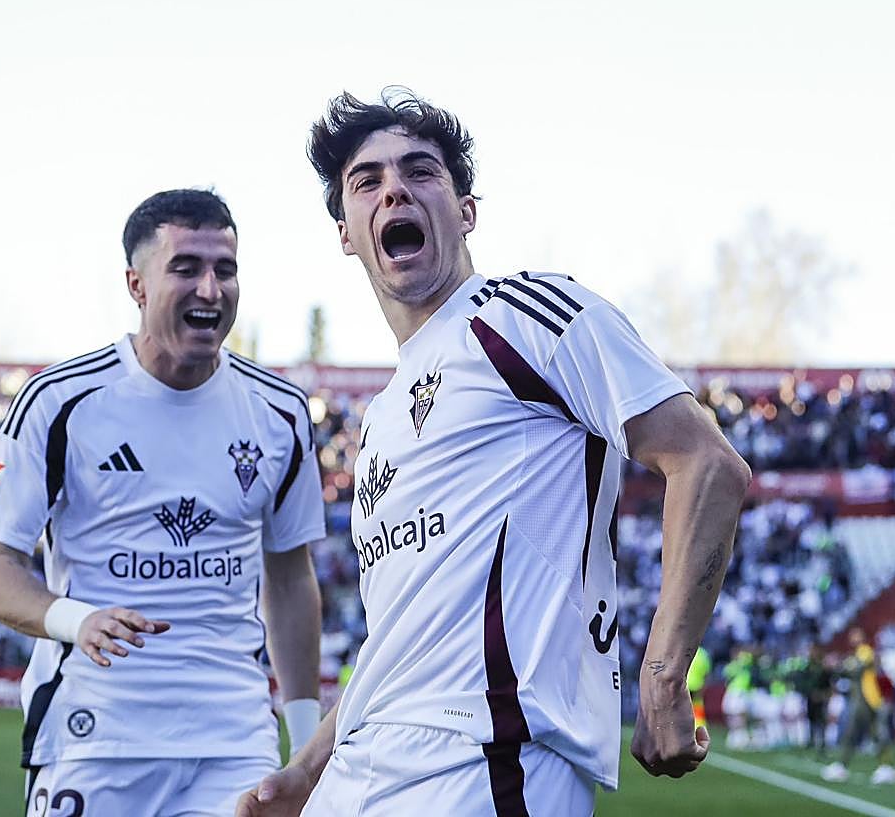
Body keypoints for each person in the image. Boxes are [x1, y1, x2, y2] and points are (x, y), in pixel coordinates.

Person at [238, 89, 751, 816]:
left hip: (487, 759)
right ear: (346, 233)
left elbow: (708, 464)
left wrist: (665, 672)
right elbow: (399, 637)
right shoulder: (379, 419)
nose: (394, 190)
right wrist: (309, 770)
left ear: (466, 210)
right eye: (367, 181)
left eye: (420, 171)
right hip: (359, 769)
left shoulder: (525, 317)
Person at [0, 189, 325, 816]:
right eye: (186, 268)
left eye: (225, 269)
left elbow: (290, 578)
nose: (210, 289)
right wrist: (76, 620)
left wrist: (308, 743)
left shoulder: (280, 412)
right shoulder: (60, 402)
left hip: (233, 743)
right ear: (137, 285)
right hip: (96, 738)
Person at [821, 628, 895, 785]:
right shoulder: (856, 654)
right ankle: (881, 767)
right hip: (860, 700)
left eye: (856, 636)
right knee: (861, 733)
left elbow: (855, 669)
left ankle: (884, 767)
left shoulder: (865, 651)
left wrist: (840, 665)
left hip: (868, 699)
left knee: (869, 733)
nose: (853, 639)